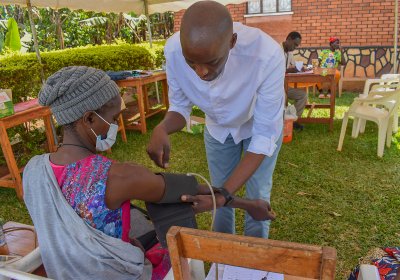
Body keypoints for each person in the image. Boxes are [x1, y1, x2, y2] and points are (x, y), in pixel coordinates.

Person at [22, 66, 276, 280]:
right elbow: (184, 191)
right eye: (114, 117)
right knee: (171, 256)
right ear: (89, 119)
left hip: (64, 272)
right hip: (118, 274)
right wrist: (247, 204)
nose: (116, 124)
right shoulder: (119, 177)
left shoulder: (33, 171)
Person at [147, 1, 284, 239]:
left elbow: (263, 137)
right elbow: (180, 107)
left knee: (257, 196)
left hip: (257, 126)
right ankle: (224, 257)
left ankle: (255, 263)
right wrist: (162, 128)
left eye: (211, 62)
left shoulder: (267, 54)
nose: (201, 72)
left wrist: (226, 194)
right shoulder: (173, 51)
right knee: (217, 193)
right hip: (218, 129)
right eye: (192, 63)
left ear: (232, 42)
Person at [282, 31, 308, 131]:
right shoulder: (276, 50)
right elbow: (273, 70)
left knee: (302, 95)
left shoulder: (289, 53)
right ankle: (282, 124)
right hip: (274, 86)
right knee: (282, 98)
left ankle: (293, 121)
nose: (295, 48)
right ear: (288, 39)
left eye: (297, 46)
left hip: (284, 85)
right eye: (295, 44)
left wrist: (300, 68)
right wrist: (291, 69)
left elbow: (293, 66)